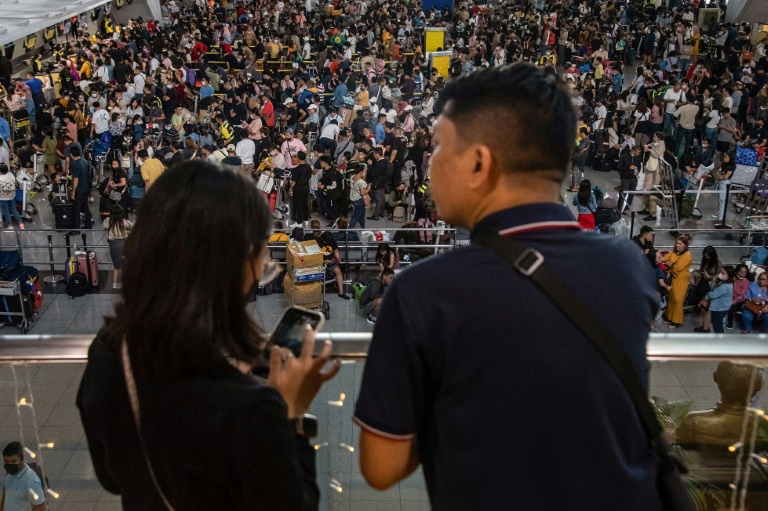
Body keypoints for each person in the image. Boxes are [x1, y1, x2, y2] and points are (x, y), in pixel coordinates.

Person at [354, 65, 664, 510]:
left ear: (479, 163)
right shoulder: (628, 266)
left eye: (440, 144)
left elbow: (382, 466)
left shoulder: (425, 292)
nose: (430, 159)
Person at [77, 160, 340, 510]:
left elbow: (112, 477)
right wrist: (291, 413)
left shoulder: (109, 354)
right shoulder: (252, 409)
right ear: (238, 263)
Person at [1, 442, 45, 511]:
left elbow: (40, 505)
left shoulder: (31, 480)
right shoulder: (10, 473)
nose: (10, 464)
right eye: (6, 461)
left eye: (13, 461)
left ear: (22, 460)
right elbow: (5, 494)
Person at [662, 236, 693, 328]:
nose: (678, 245)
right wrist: (669, 263)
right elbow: (664, 259)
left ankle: (676, 320)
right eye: (677, 243)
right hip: (673, 278)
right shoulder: (673, 253)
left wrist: (669, 264)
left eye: (680, 244)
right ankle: (669, 317)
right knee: (672, 298)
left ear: (685, 245)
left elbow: (678, 267)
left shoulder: (687, 255)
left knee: (678, 299)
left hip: (681, 279)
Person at [103, 205, 133, 289]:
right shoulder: (124, 222)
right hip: (123, 244)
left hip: (113, 245)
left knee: (116, 265)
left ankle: (115, 283)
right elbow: (133, 226)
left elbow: (104, 227)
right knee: (124, 264)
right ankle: (124, 282)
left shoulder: (108, 221)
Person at [69, 145, 94, 230]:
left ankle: (76, 228)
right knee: (85, 207)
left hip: (79, 189)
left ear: (71, 154)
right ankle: (88, 224)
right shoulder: (84, 161)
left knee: (77, 209)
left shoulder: (75, 164)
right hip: (86, 187)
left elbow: (75, 179)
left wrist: (73, 191)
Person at [726, 264, 750, 330]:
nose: (743, 273)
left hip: (740, 301)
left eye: (745, 272)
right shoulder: (732, 279)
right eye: (741, 271)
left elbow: (742, 295)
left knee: (730, 309)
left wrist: (734, 301)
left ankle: (730, 323)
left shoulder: (746, 282)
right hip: (729, 298)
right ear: (737, 272)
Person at [0, 164, 22, 230]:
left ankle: (10, 225)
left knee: (6, 211)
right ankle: (20, 223)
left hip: (2, 198)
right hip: (12, 196)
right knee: (14, 210)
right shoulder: (10, 175)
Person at [348, 164, 370, 230]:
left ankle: (363, 228)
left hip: (352, 198)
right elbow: (363, 193)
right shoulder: (361, 182)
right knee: (356, 216)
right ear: (361, 171)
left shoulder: (352, 177)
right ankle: (349, 230)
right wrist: (368, 188)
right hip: (358, 200)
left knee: (362, 214)